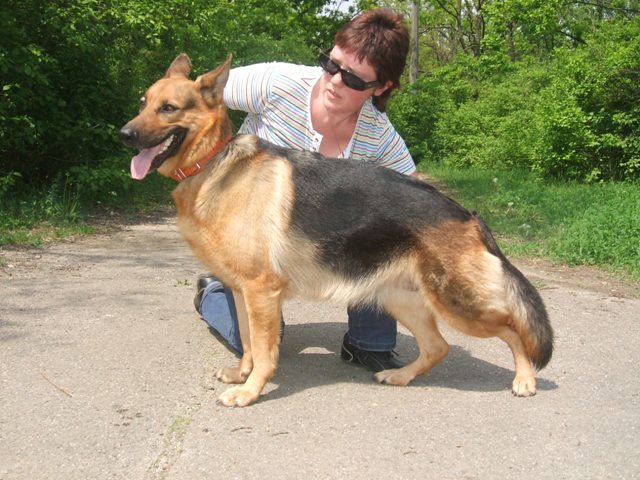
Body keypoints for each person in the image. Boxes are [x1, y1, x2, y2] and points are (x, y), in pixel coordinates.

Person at [194, 8, 418, 372]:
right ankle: (215, 292)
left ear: (381, 88)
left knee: (388, 231)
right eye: (331, 65)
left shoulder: (379, 136)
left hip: (324, 241)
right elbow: (196, 98)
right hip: (253, 238)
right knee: (265, 335)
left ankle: (366, 342)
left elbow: (415, 200)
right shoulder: (277, 83)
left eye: (353, 79)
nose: (334, 81)